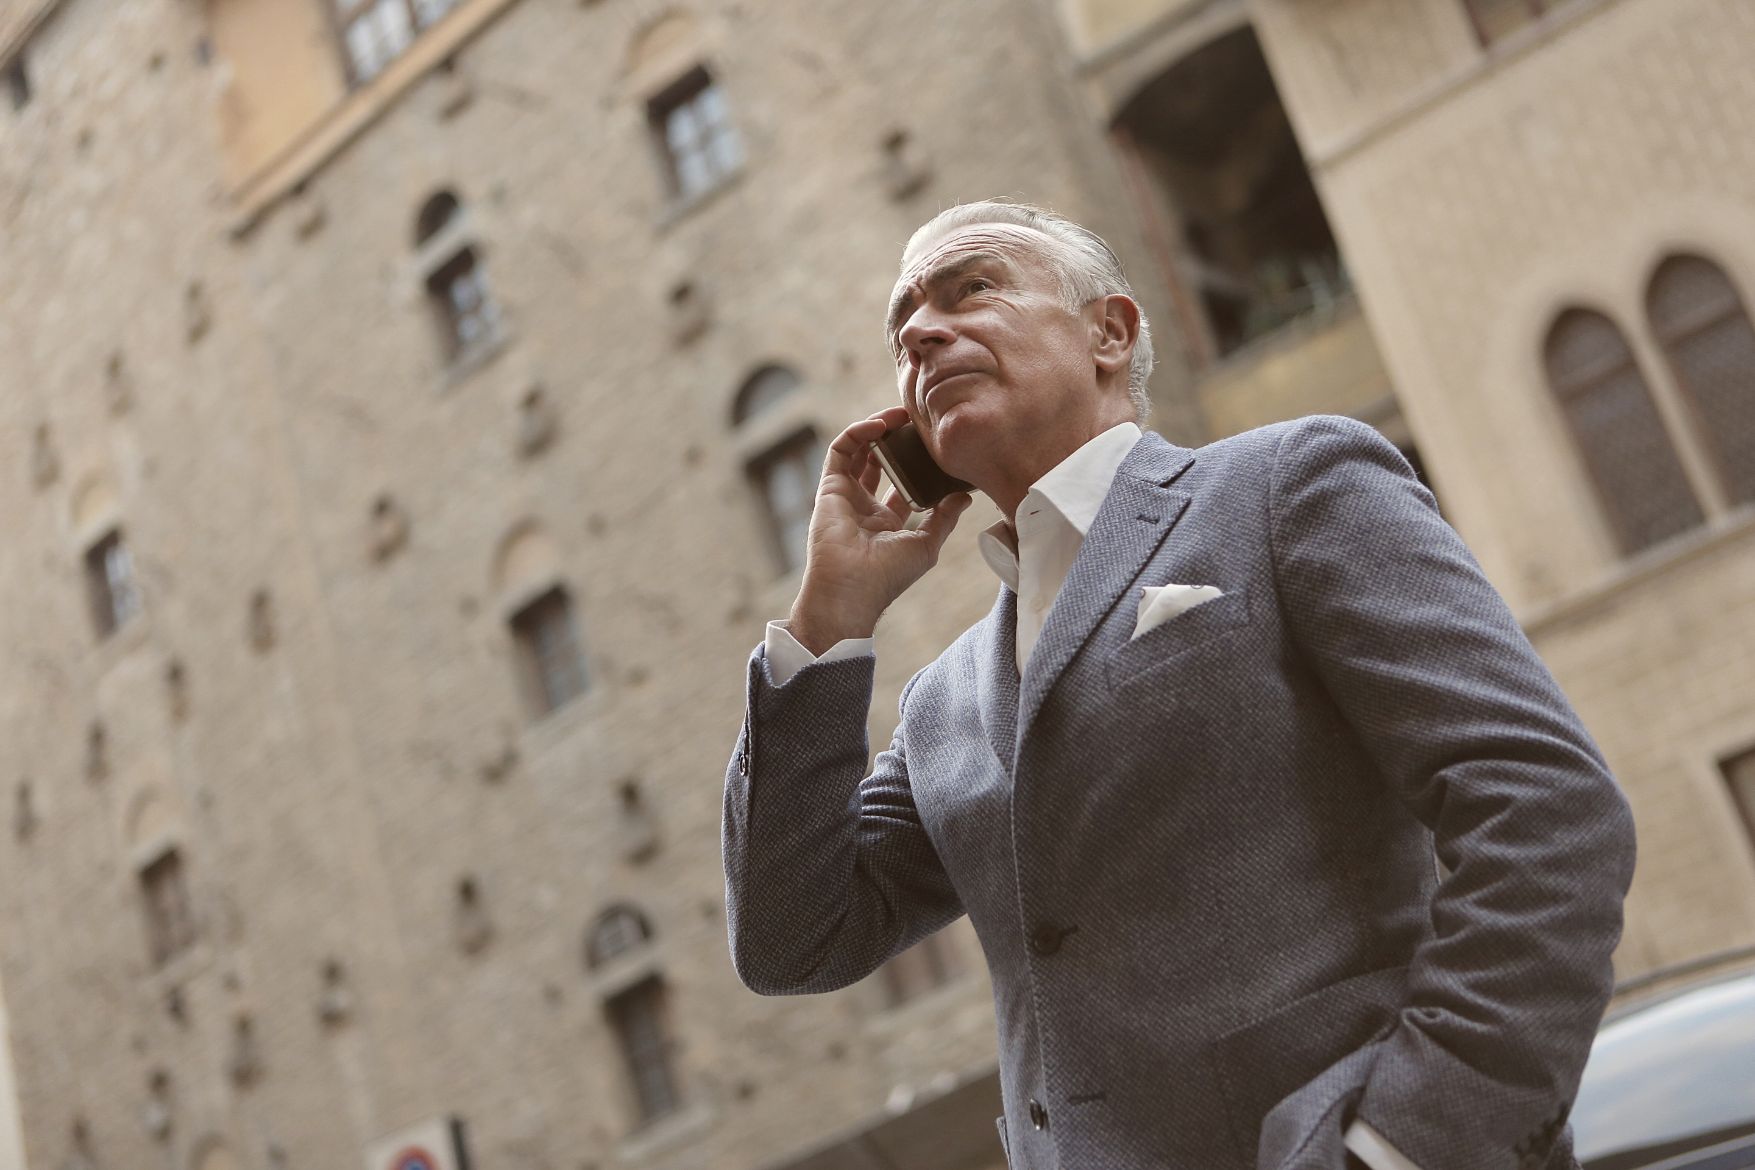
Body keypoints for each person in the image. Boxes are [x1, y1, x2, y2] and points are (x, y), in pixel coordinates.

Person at [720, 201, 1636, 1170]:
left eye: (971, 288)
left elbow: (1547, 810)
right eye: (903, 321)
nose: (919, 330)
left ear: (1109, 334)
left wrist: (1401, 1144)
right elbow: (791, 941)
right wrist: (828, 620)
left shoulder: (1288, 485)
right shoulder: (942, 702)